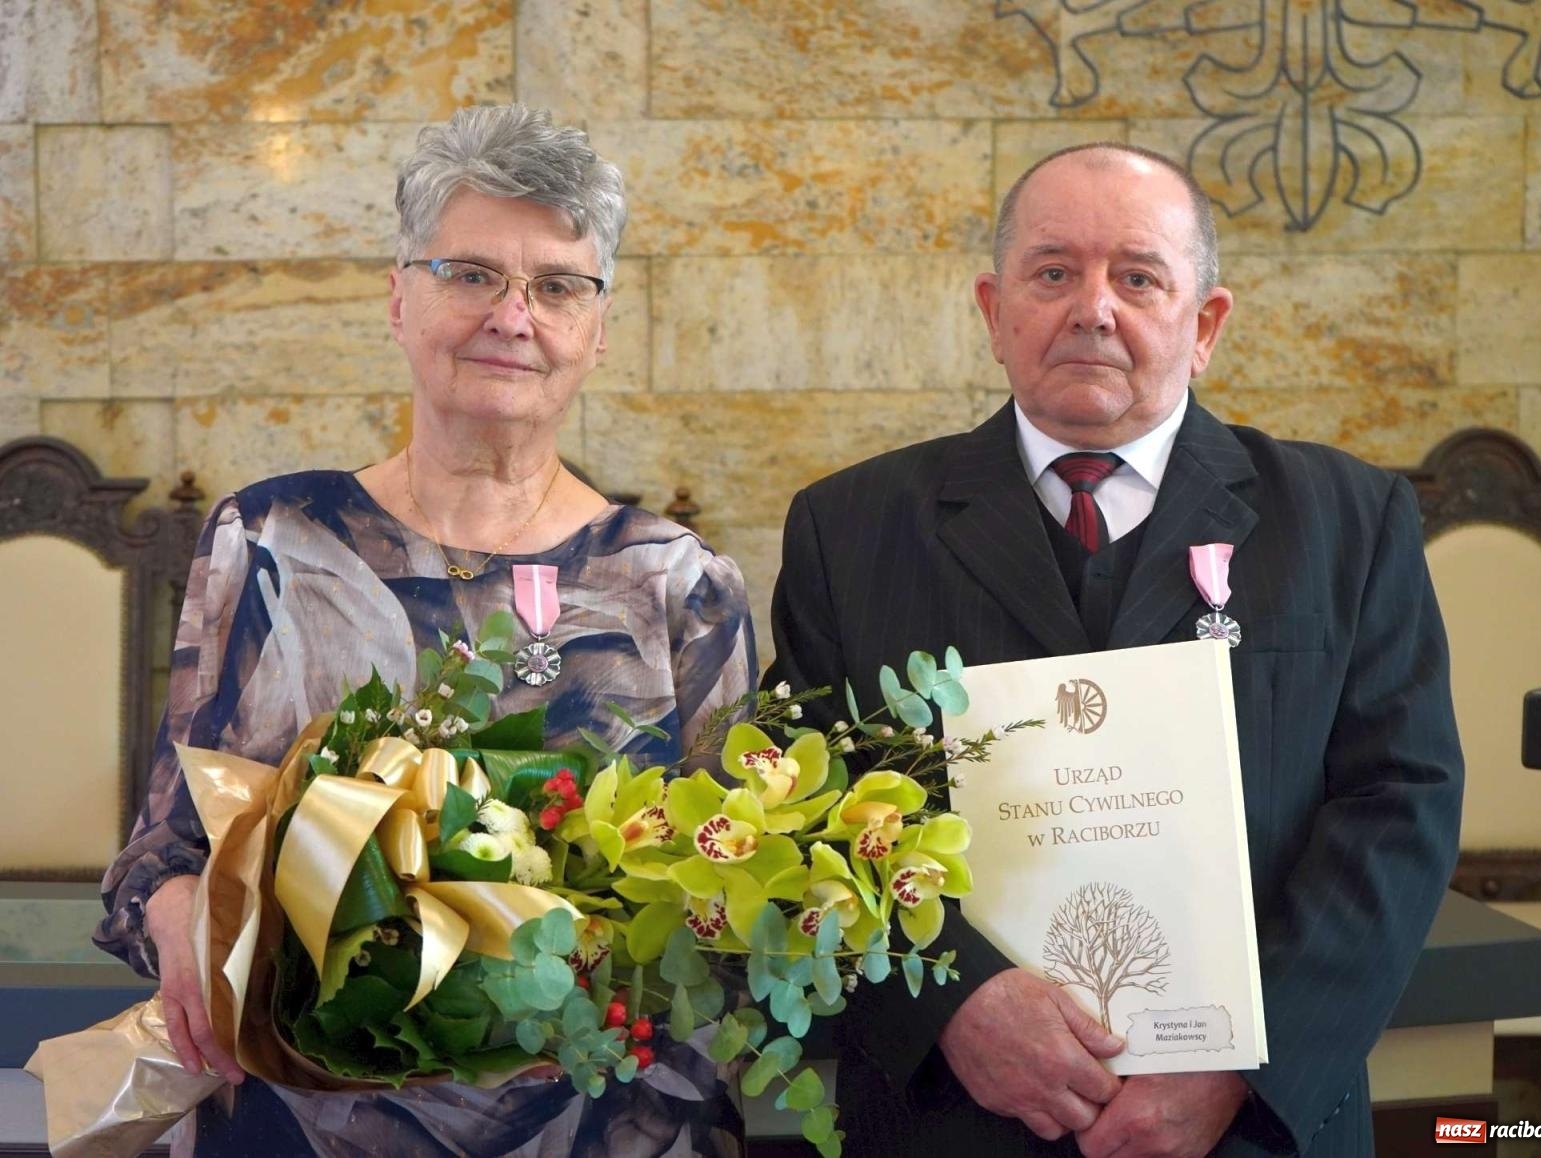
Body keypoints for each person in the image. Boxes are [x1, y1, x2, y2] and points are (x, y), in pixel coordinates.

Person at [767, 143, 1464, 1157]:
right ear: (993, 312)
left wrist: (1244, 1067)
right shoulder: (850, 528)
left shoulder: (1349, 523)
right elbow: (802, 809)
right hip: (952, 1121)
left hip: (1251, 1133)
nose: (1093, 308)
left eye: (1137, 278)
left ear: (1204, 325)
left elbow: (1399, 807)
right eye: (1053, 272)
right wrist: (953, 1004)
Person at [94, 104, 756, 1158]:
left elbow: (728, 926)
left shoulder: (679, 585)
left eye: (557, 286)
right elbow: (159, 857)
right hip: (297, 1117)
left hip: (585, 1124)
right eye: (471, 274)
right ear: (399, 299)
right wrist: (178, 908)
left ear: (598, 330)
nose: (513, 317)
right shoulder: (269, 540)